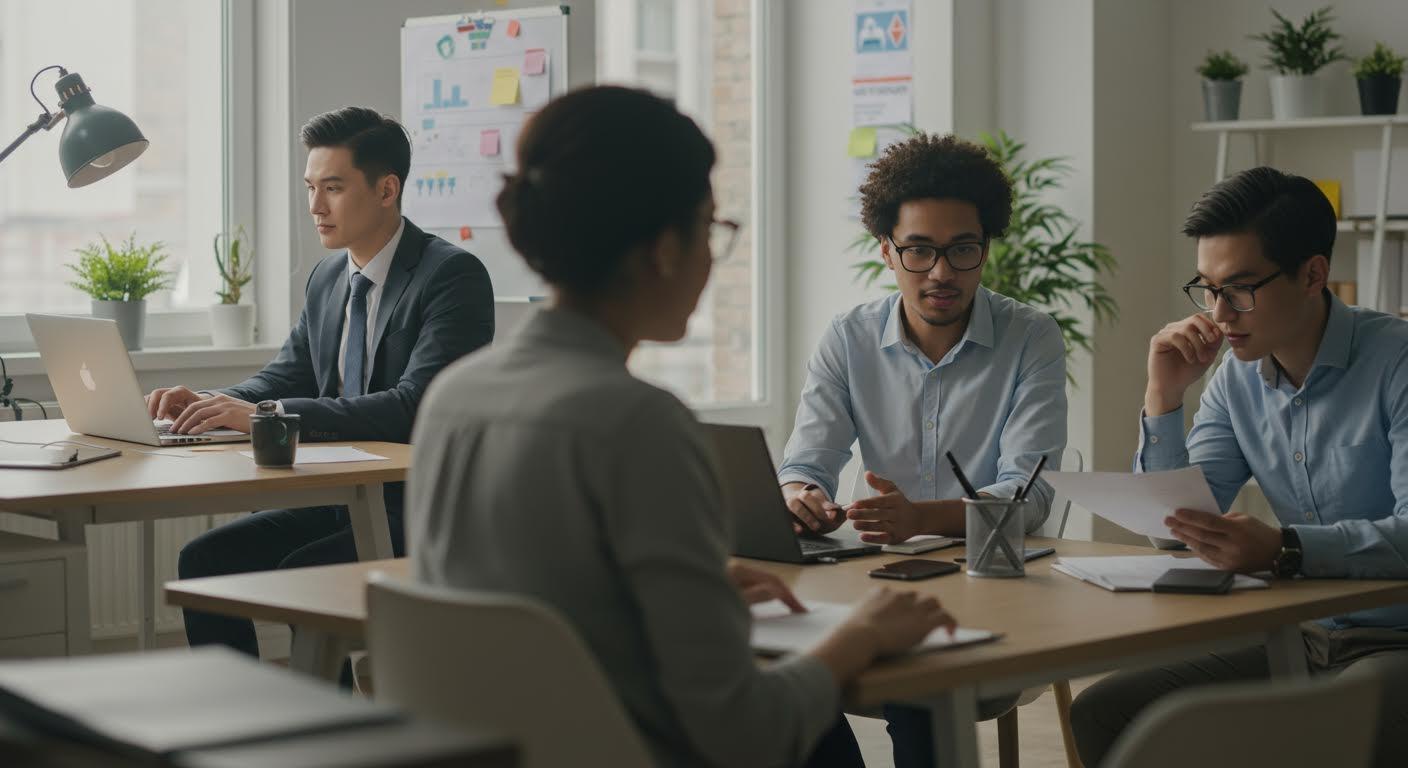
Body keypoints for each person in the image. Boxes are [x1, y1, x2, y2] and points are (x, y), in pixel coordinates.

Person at [407, 85, 955, 768]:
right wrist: (863, 636)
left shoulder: (455, 396)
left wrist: (686, 581)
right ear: (666, 248)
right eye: (711, 229)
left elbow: (532, 605)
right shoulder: (638, 424)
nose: (708, 257)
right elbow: (739, 732)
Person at [1070, 166, 1408, 768]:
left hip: (1396, 643)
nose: (1220, 313)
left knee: (1327, 730)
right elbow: (1173, 529)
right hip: (1299, 635)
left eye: (1240, 289)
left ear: (1313, 274)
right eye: (1207, 288)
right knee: (1104, 709)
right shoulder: (1234, 379)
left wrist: (1286, 549)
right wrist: (1163, 396)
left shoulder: (1397, 363)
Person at [149, 106, 494, 658]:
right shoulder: (329, 276)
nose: (314, 206)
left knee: (301, 573)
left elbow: (414, 405)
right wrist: (219, 403)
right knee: (205, 561)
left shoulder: (451, 276)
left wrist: (265, 417)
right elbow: (290, 372)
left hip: (420, 507)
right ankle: (236, 724)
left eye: (332, 188)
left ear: (387, 190)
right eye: (311, 187)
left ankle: (322, 726)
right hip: (343, 497)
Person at [777, 133, 1067, 546]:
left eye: (962, 250)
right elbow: (806, 465)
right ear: (887, 252)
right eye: (919, 251)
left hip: (989, 568)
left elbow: (1029, 495)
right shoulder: (848, 338)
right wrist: (801, 501)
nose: (941, 273)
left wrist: (921, 519)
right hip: (879, 568)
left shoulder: (1030, 337)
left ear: (985, 249)